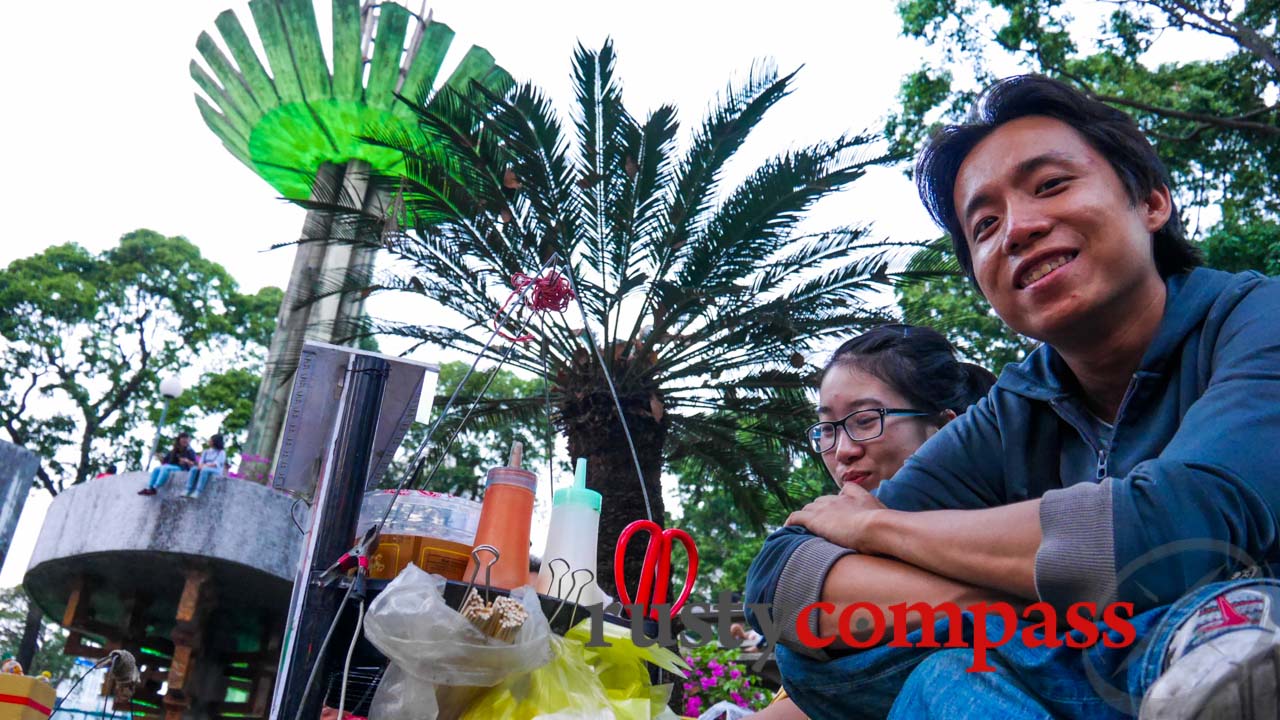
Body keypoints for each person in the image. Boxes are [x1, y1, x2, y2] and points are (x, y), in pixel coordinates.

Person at [745, 74, 1280, 719]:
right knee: (854, 661)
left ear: (1151, 203)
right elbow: (782, 579)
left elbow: (1180, 527)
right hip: (1104, 673)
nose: (1018, 230)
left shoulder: (1255, 322)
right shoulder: (1015, 409)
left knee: (940, 671)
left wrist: (877, 525)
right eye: (985, 224)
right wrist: (1031, 607)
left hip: (1241, 646)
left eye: (1051, 185)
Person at [750, 324, 996, 720]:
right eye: (828, 429)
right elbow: (772, 582)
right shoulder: (831, 535)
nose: (843, 451)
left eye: (865, 420)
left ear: (948, 429)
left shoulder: (1011, 517)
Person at [183, 433, 227, 499]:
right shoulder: (206, 452)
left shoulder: (221, 452)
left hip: (215, 469)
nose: (209, 442)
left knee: (204, 470)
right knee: (194, 469)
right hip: (204, 467)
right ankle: (188, 489)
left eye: (211, 440)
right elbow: (201, 462)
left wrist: (204, 466)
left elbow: (216, 464)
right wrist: (200, 466)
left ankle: (198, 491)